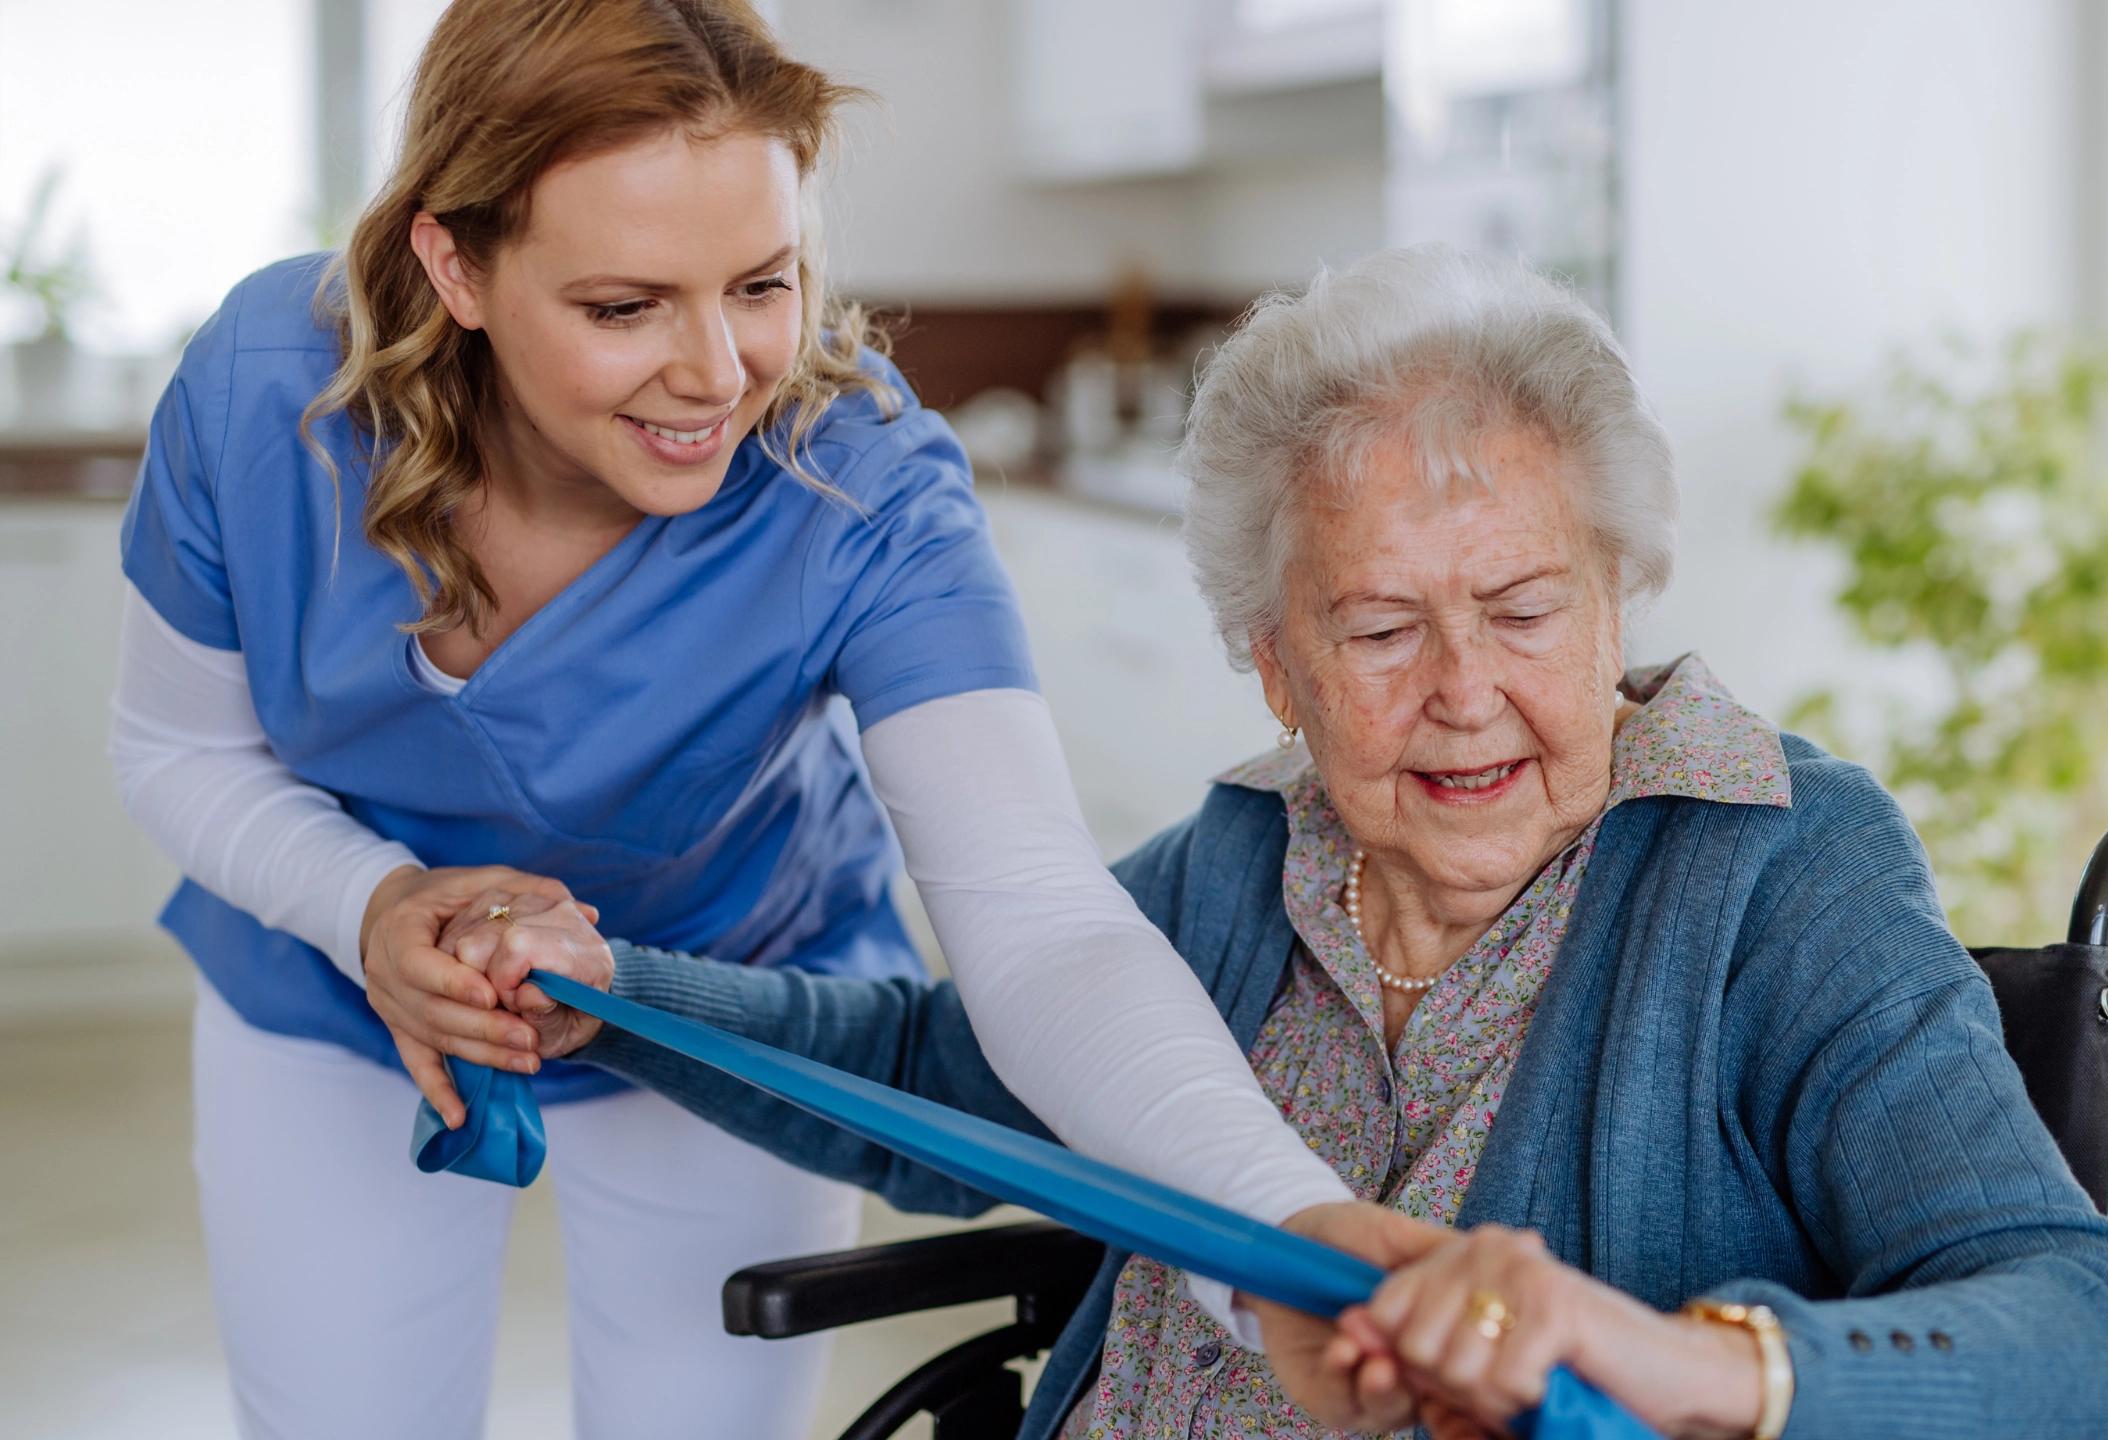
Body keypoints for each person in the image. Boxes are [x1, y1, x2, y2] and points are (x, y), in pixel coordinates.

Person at [443, 244, 2108, 1439]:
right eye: (1376, 632)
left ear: (1619, 594)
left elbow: (2095, 1329)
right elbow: (926, 1068)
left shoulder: (1776, 873)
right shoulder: (1234, 863)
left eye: (1521, 607)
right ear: (1271, 662)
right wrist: (613, 996)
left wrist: (1677, 1359)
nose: (1464, 692)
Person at [106, 3, 1379, 1436]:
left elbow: (1040, 911)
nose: (717, 373)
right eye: (622, 307)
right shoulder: (268, 389)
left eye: (761, 284)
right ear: (454, 264)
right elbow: (180, 750)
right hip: (328, 993)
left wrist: (1289, 1234)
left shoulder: (864, 483)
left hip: (731, 1002)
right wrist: (370, 904)